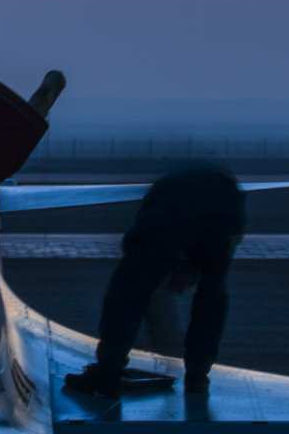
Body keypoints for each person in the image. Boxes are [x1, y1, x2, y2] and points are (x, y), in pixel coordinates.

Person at [66, 164, 247, 399]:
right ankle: (197, 377)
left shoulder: (149, 239)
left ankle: (108, 373)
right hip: (222, 204)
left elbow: (126, 300)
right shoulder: (195, 238)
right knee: (211, 297)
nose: (179, 290)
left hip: (196, 206)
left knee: (127, 295)